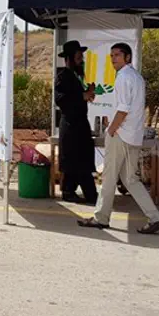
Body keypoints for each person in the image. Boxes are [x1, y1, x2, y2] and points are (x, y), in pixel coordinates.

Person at [78, 43, 159, 234]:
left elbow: (123, 109)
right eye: (112, 55)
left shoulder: (123, 77)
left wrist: (111, 129)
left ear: (127, 57)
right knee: (130, 179)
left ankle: (101, 218)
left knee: (110, 177)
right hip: (132, 135)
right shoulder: (135, 77)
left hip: (121, 134)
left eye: (117, 55)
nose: (113, 59)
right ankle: (155, 217)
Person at [54, 40, 98, 204]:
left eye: (82, 57)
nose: (82, 60)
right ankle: (88, 195)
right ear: (69, 58)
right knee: (78, 161)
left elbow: (77, 99)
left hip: (79, 124)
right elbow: (61, 100)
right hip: (71, 125)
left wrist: (88, 92)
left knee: (79, 160)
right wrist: (82, 96)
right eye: (79, 57)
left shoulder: (76, 76)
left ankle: (69, 191)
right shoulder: (63, 76)